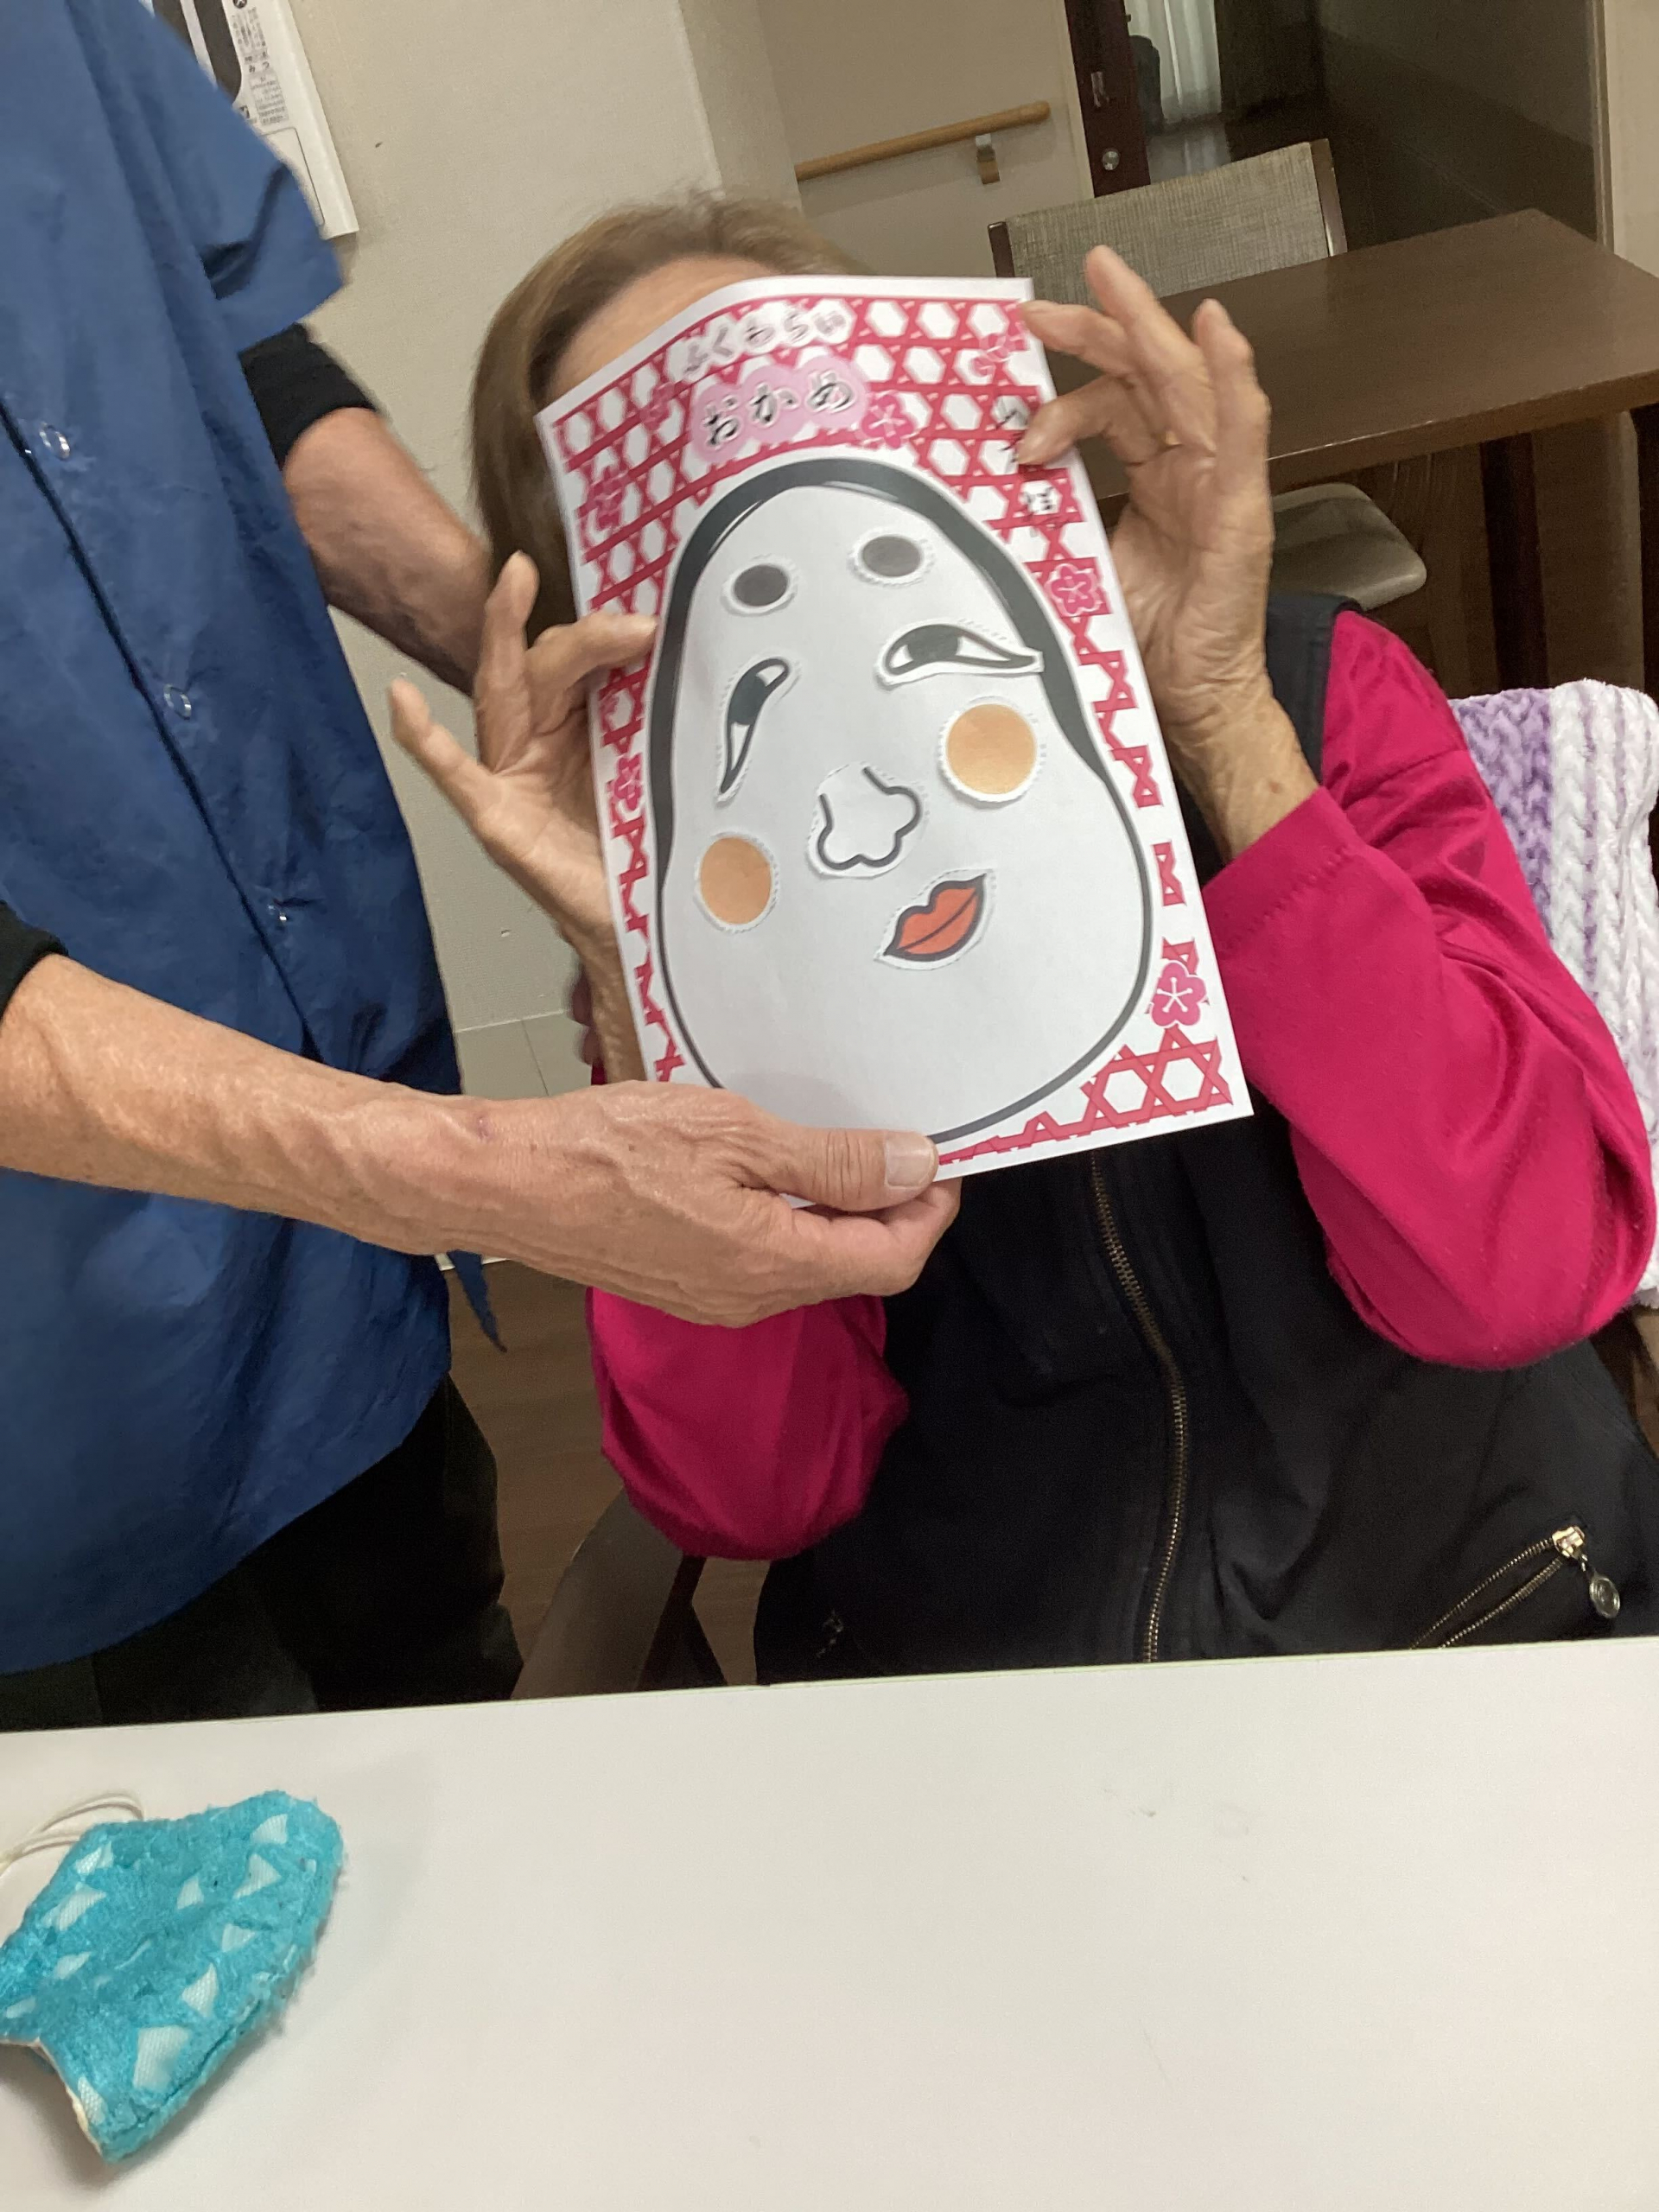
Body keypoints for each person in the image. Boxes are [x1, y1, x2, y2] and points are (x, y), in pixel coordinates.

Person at [397, 193, 1659, 1677]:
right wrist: (643, 986)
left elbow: (1522, 1272)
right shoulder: (703, 929)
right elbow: (756, 1492)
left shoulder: (1314, 700)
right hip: (1005, 1703)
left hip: (1462, 1617)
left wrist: (1225, 726)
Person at [0, 16, 949, 1728]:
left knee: (442, 1696)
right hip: (52, 1371)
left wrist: (608, 722)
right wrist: (478, 1169)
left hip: (340, 1247)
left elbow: (236, 353)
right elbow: (747, 1476)